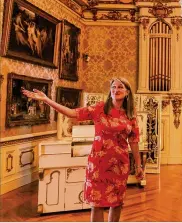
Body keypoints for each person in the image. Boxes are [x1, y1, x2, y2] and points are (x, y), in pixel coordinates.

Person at [22, 77, 143, 222]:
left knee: (116, 203)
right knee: (97, 204)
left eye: (120, 87)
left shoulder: (130, 114)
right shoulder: (99, 109)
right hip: (98, 165)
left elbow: (134, 141)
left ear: (127, 92)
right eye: (113, 87)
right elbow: (72, 113)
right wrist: (47, 100)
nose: (116, 90)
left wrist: (138, 165)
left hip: (120, 165)